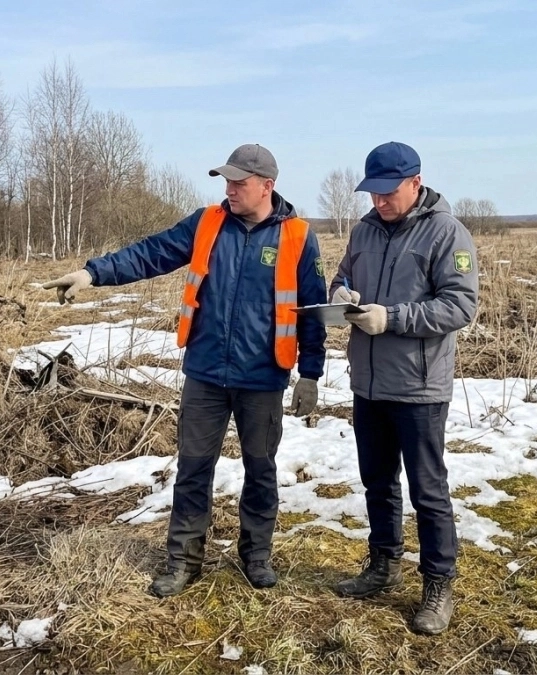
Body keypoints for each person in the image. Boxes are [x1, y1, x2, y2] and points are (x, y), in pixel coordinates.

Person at [41, 144, 327, 597]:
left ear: (266, 186)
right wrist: (92, 274)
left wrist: (310, 372)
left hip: (263, 377)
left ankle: (256, 556)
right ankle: (183, 561)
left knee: (260, 468)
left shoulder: (297, 236)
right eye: (226, 182)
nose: (229, 190)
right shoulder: (206, 223)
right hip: (206, 373)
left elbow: (312, 308)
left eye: (239, 183)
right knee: (194, 469)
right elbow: (150, 254)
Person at [328, 141, 478, 635]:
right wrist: (341, 294)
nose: (378, 203)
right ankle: (382, 564)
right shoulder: (366, 231)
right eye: (371, 193)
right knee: (377, 481)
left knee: (428, 491)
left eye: (387, 193)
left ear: (416, 183)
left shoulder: (446, 233)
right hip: (369, 384)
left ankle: (438, 584)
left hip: (418, 387)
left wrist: (391, 318)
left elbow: (459, 307)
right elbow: (343, 275)